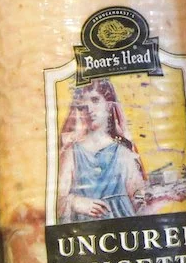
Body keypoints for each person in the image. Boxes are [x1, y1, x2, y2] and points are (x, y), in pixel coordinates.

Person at [56, 80, 149, 221]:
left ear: (109, 105)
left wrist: (153, 199)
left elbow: (139, 200)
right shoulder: (72, 153)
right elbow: (56, 200)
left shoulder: (123, 151)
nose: (89, 109)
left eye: (95, 100)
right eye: (83, 106)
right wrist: (75, 202)